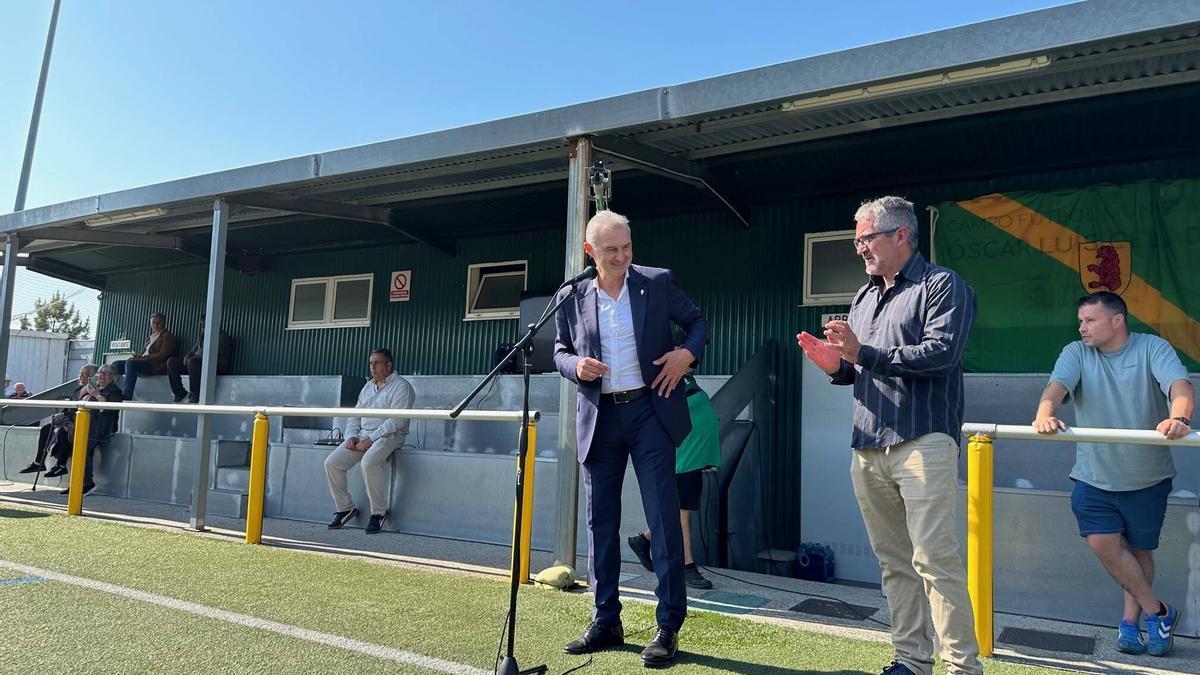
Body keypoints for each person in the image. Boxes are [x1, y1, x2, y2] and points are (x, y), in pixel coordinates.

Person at [797, 196, 981, 675]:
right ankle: (912, 661)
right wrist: (835, 368)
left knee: (935, 561)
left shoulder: (943, 286)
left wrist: (865, 353)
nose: (859, 249)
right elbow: (858, 369)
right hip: (868, 446)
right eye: (857, 240)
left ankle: (962, 667)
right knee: (895, 563)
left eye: (866, 239)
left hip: (924, 440)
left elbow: (941, 354)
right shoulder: (863, 297)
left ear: (901, 235)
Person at [554, 209, 709, 668]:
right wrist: (575, 367)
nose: (622, 257)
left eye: (627, 247)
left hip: (649, 412)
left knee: (663, 518)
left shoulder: (657, 282)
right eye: (610, 250)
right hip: (599, 416)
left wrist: (686, 354)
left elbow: (698, 323)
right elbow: (559, 351)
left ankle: (668, 626)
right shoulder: (571, 294)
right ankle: (606, 621)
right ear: (590, 252)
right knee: (600, 521)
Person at [1032, 291, 1192, 657]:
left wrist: (1179, 418)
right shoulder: (1076, 351)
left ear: (1117, 320)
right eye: (1081, 321)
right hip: (1092, 474)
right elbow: (1055, 389)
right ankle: (1160, 611)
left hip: (1147, 475)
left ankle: (1131, 625)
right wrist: (1044, 412)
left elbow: (1179, 387)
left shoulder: (1153, 347)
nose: (1082, 327)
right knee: (1103, 543)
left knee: (1139, 550)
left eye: (1090, 321)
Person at [628, 370, 720, 590]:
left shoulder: (684, 376)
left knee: (680, 508)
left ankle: (644, 539)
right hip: (681, 454)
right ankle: (687, 567)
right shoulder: (660, 378)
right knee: (681, 513)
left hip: (693, 456)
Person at [324, 348, 415, 535]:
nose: (372, 367)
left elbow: (396, 421)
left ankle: (378, 513)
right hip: (363, 436)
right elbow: (355, 415)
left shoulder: (402, 387)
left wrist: (370, 440)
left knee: (368, 462)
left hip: (389, 436)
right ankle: (345, 508)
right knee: (332, 463)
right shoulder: (367, 387)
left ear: (389, 365)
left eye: (377, 363)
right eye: (371, 363)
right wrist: (352, 436)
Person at [50, 364, 122, 495]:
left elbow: (108, 409)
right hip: (84, 425)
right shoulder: (91, 388)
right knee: (68, 443)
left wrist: (97, 395)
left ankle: (88, 483)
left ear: (113, 377)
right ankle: (74, 481)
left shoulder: (114, 391)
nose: (101, 376)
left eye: (105, 373)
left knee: (83, 449)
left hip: (100, 428)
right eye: (100, 373)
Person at [19, 364, 98, 475]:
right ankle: (39, 462)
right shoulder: (78, 390)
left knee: (63, 431)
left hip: (79, 423)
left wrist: (65, 420)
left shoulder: (92, 391)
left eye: (86, 374)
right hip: (69, 419)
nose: (82, 377)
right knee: (46, 429)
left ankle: (61, 465)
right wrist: (61, 416)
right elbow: (70, 408)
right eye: (81, 374)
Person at [167, 314, 233, 403]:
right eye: (202, 324)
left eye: (205, 324)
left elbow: (209, 353)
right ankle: (179, 392)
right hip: (197, 366)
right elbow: (194, 350)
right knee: (172, 362)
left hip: (216, 366)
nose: (203, 327)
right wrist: (187, 356)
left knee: (193, 362)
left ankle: (195, 394)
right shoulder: (202, 335)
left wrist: (193, 357)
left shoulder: (222, 336)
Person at [113, 312, 178, 399]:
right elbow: (145, 353)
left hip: (154, 365)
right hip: (143, 361)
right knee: (116, 364)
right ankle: (111, 391)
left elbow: (163, 354)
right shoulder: (150, 337)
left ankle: (127, 395)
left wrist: (144, 357)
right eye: (153, 323)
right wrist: (138, 357)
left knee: (131, 363)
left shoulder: (167, 336)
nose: (155, 325)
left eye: (158, 323)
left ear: (164, 323)